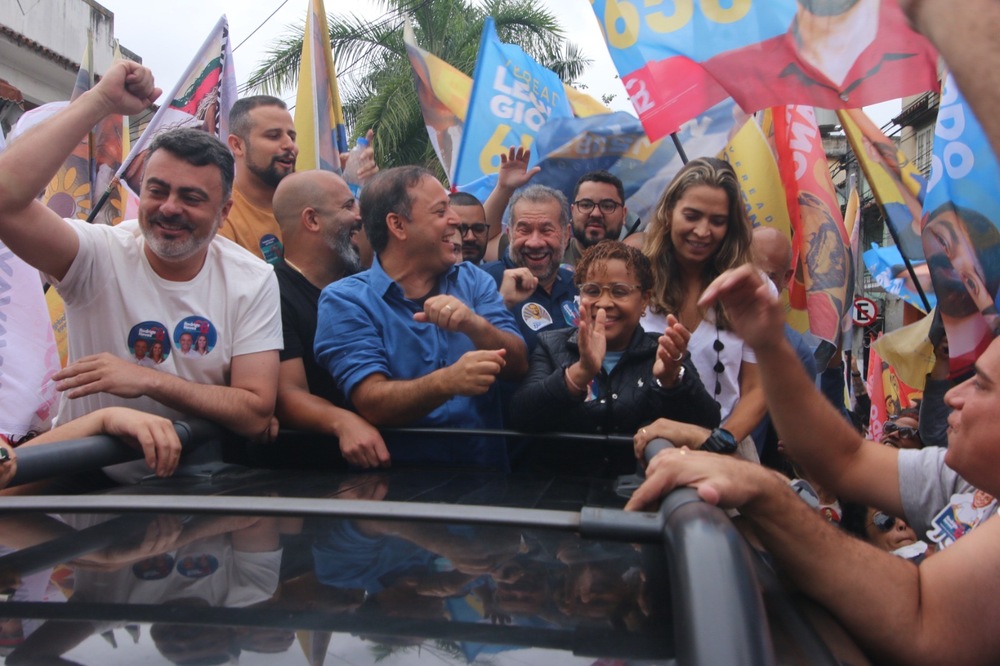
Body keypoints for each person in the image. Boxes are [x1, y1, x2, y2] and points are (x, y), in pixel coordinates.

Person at [628, 263, 1000, 664]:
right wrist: (768, 343)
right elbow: (844, 458)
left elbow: (923, 619)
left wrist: (766, 491)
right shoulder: (960, 478)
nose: (953, 396)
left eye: (981, 384)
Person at [0, 62, 282, 483]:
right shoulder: (97, 254)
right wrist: (101, 102)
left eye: (191, 197)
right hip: (80, 486)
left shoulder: (253, 279)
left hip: (200, 493)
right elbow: (5, 202)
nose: (169, 207)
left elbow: (256, 412)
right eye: (157, 190)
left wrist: (146, 380)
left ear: (224, 212)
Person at [313, 166, 528, 470]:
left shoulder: (473, 280)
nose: (455, 220)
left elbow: (519, 365)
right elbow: (371, 402)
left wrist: (474, 325)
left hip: (486, 483)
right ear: (398, 225)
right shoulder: (346, 300)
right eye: (441, 211)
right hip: (397, 496)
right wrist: (447, 381)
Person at [510, 241, 719, 472]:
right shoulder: (551, 344)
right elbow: (521, 415)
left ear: (645, 300)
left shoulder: (664, 352)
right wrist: (579, 373)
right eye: (592, 290)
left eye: (620, 291)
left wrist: (672, 381)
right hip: (557, 495)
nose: (604, 303)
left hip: (643, 494)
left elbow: (706, 423)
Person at [633, 157, 766, 458]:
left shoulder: (751, 288)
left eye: (717, 221)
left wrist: (720, 440)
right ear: (669, 212)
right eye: (692, 216)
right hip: (641, 450)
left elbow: (758, 389)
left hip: (724, 452)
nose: (703, 231)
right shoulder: (634, 276)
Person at [272, 169, 388, 469]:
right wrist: (342, 421)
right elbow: (288, 393)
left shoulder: (366, 284)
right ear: (311, 220)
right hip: (312, 478)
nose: (359, 216)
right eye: (348, 206)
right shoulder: (271, 291)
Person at [481, 185, 578, 351]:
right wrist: (501, 304)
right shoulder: (482, 283)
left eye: (546, 230)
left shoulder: (578, 286)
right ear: (509, 233)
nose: (535, 242)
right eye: (524, 230)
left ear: (566, 234)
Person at [217, 96, 299, 263]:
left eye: (292, 137)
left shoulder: (311, 198)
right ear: (237, 145)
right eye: (274, 136)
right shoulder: (220, 217)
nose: (290, 145)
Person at [566, 171, 628, 266]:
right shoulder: (550, 259)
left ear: (623, 214)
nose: (595, 214)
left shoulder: (641, 265)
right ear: (572, 211)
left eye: (607, 206)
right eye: (586, 205)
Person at [449, 192, 490, 265]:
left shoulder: (499, 275)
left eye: (478, 229)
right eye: (461, 229)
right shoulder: (427, 275)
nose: (470, 237)